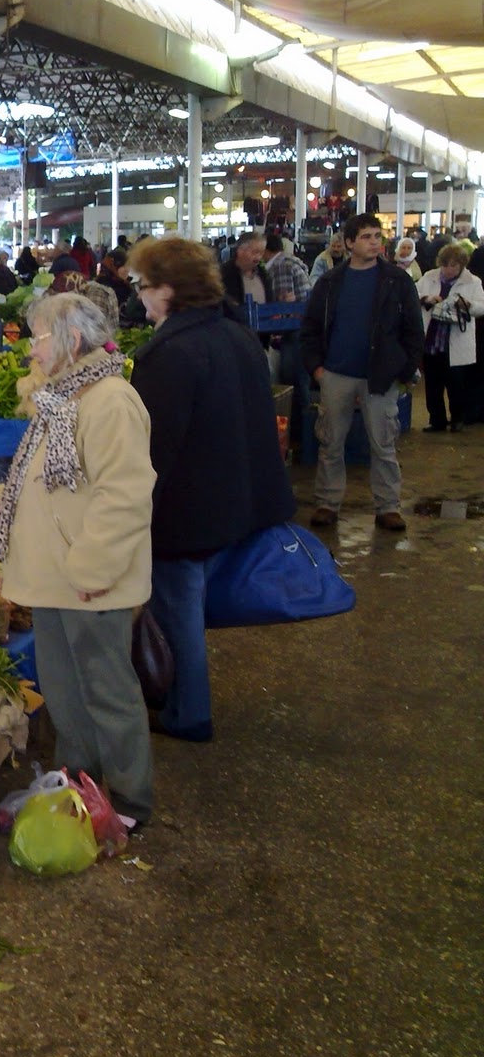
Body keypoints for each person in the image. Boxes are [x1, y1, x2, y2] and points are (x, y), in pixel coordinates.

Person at [0, 292, 155, 826]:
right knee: (67, 694)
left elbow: (123, 496)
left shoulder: (109, 401)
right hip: (54, 583)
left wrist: (90, 573)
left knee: (107, 692)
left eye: (40, 337)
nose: (32, 349)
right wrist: (4, 498)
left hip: (88, 582)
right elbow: (52, 480)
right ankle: (79, 785)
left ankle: (127, 802)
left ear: (72, 341)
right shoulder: (62, 398)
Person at [126, 237, 295, 743]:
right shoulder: (236, 336)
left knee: (179, 616)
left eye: (144, 286)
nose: (139, 297)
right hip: (235, 503)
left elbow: (152, 452)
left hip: (187, 515)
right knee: (190, 612)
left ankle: (188, 715)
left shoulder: (170, 354)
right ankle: (182, 703)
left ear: (169, 291)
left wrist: (131, 521)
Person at [301, 214, 424, 531]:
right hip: (335, 374)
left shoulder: (397, 281)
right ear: (350, 242)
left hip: (380, 377)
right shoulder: (329, 283)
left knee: (383, 444)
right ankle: (327, 503)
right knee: (330, 442)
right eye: (367, 236)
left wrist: (405, 369)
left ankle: (388, 507)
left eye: (377, 236)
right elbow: (311, 328)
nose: (374, 242)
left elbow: (413, 330)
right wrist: (317, 369)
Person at [414, 242, 484, 432]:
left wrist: (468, 305)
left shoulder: (473, 282)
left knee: (456, 384)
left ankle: (457, 419)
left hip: (455, 341)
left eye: (453, 265)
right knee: (432, 385)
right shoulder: (429, 277)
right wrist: (426, 298)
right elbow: (414, 292)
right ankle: (436, 419)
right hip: (432, 340)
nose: (448, 270)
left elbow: (482, 307)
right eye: (445, 265)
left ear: (461, 265)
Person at [220, 232, 272, 312]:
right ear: (240, 251)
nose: (258, 258)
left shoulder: (262, 273)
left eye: (261, 253)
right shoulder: (225, 274)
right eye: (255, 252)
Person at [264, 233, 310, 303]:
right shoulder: (289, 260)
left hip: (298, 311)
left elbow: (284, 301)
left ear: (265, 250)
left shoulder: (281, 266)